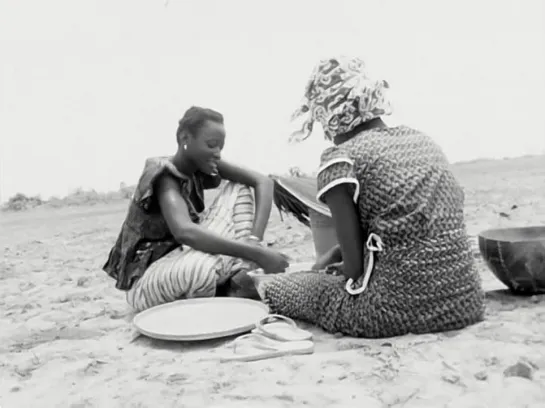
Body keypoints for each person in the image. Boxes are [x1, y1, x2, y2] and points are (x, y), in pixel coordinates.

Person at [258, 56, 485, 338]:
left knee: (297, 288)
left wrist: (327, 269)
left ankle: (250, 288)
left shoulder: (341, 158)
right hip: (465, 301)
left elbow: (353, 270)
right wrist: (341, 254)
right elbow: (402, 229)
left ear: (329, 114)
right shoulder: (423, 141)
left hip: (391, 311)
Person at [103, 106, 289, 312]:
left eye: (220, 147)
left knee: (240, 187)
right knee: (202, 270)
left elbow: (262, 181)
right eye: (211, 145)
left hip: (183, 257)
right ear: (185, 138)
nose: (217, 153)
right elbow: (185, 232)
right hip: (149, 280)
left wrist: (255, 243)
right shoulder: (164, 176)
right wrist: (257, 255)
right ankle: (226, 288)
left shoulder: (201, 163)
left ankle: (239, 275)